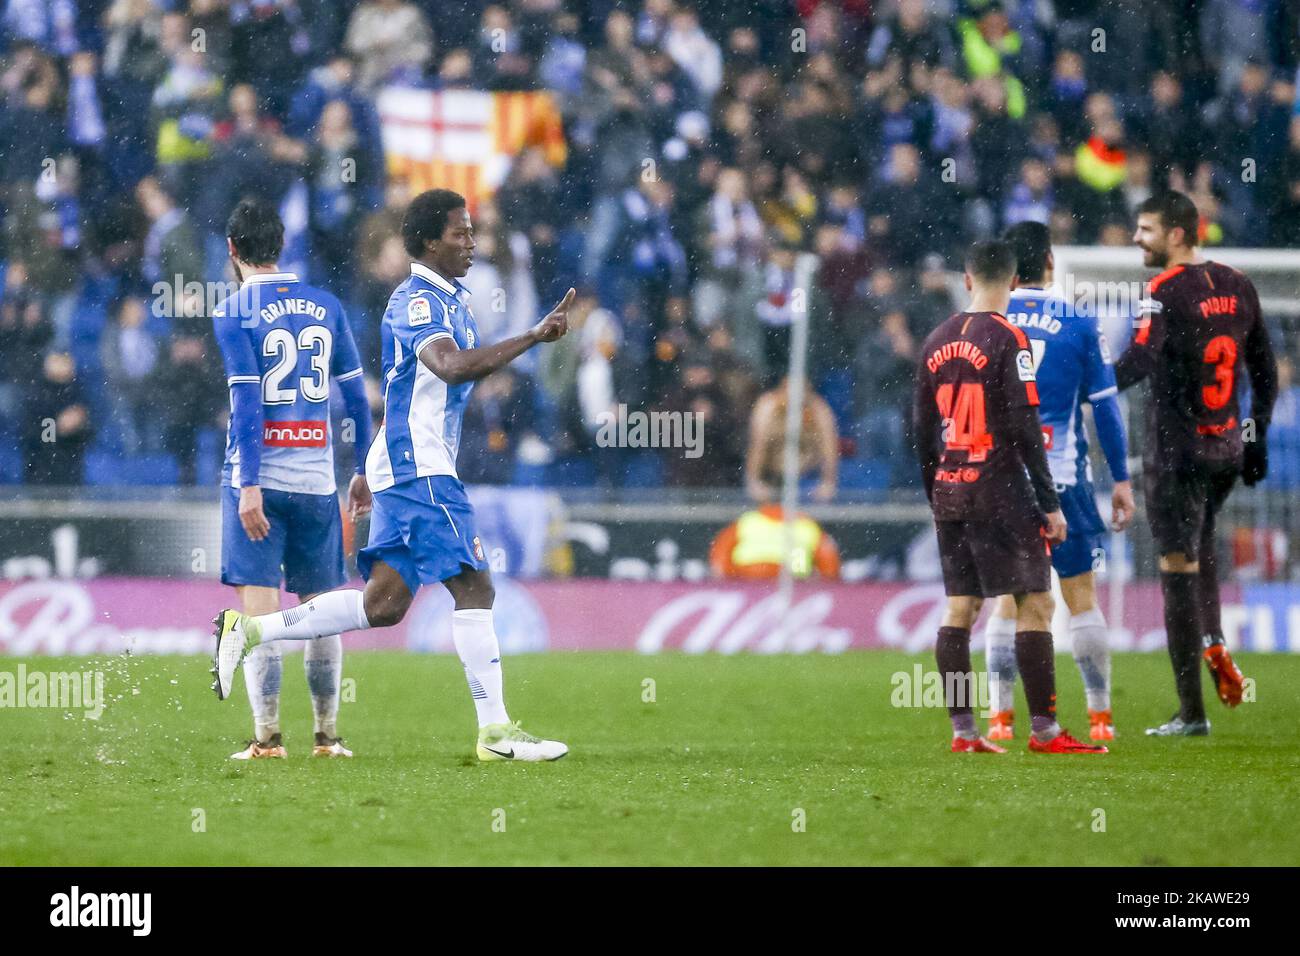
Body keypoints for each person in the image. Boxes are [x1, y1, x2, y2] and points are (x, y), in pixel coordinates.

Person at [213, 189, 575, 762]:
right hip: (419, 468)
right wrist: (530, 336)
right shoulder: (417, 302)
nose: (472, 243)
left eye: (473, 231)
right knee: (475, 585)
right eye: (460, 233)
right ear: (429, 241)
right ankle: (496, 733)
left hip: (401, 462)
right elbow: (448, 368)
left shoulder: (450, 299)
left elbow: (403, 391)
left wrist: (367, 464)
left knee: (382, 605)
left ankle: (250, 631)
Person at [913, 239, 1106, 755]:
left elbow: (921, 430)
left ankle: (964, 732)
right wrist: (1049, 503)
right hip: (998, 489)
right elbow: (1025, 428)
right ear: (1016, 282)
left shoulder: (935, 340)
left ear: (968, 279)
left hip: (950, 487)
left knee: (960, 609)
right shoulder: (1009, 339)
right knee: (1036, 602)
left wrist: (936, 487)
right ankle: (1045, 729)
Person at [210, 198, 373, 760]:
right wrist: (362, 470)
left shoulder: (232, 311)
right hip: (316, 483)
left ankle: (268, 739)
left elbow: (248, 399)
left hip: (257, 482)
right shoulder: (327, 305)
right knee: (322, 608)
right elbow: (356, 397)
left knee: (260, 611)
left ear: (232, 250)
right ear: (280, 246)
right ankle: (327, 737)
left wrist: (250, 483)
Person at [1117, 190, 1278, 737]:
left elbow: (1139, 359)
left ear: (1178, 234)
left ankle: (1191, 713)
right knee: (1203, 541)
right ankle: (1214, 641)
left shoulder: (1161, 291)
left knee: (1176, 568)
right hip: (1226, 451)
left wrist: (1087, 385)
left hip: (1176, 454)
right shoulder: (1238, 284)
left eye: (1146, 230)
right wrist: (1255, 439)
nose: (1137, 239)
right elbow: (1266, 372)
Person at [983, 222, 1136, 743]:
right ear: (1051, 260)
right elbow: (1105, 411)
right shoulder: (1078, 321)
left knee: (1011, 599)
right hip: (1063, 478)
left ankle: (1000, 718)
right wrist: (1121, 478)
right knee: (1081, 599)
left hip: (1000, 480)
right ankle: (1100, 715)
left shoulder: (991, 321)